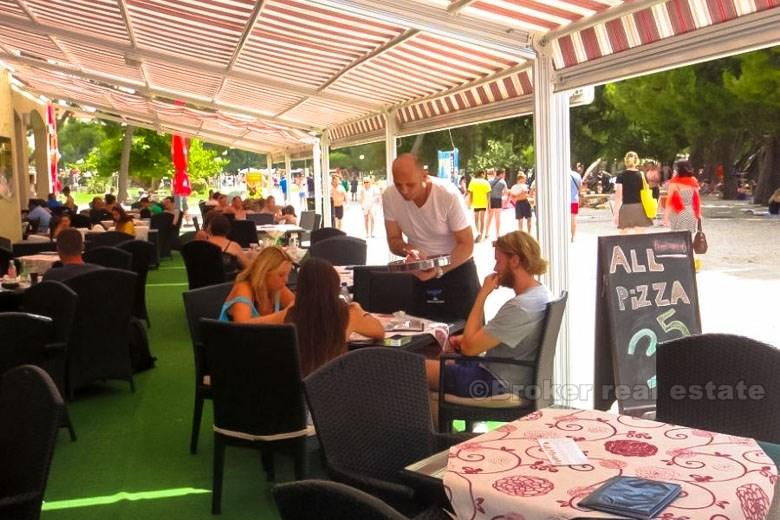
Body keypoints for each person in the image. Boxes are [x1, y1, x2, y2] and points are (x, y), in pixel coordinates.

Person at [425, 231, 552, 398]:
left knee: (414, 368)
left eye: (498, 261)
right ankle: (437, 422)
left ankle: (426, 422)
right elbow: (489, 338)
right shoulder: (541, 294)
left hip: (494, 382)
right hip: (508, 375)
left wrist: (482, 294)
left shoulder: (521, 307)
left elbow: (469, 349)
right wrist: (465, 340)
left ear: (515, 260)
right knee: (437, 362)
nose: (495, 268)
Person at [383, 153, 479, 322]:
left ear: (424, 176)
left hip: (457, 269)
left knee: (463, 339)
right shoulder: (389, 196)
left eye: (410, 184)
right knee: (423, 338)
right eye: (399, 185)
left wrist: (439, 269)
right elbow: (393, 240)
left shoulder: (447, 194)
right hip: (420, 273)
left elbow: (467, 244)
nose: (404, 191)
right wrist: (408, 250)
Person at [255, 258, 384, 376]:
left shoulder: (291, 313)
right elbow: (379, 331)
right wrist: (361, 311)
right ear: (334, 283)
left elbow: (251, 325)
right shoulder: (347, 313)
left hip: (297, 384)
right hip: (330, 384)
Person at [219, 246, 296, 322]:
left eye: (287, 274)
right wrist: (281, 316)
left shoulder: (277, 288)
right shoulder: (243, 288)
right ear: (263, 273)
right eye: (280, 275)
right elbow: (241, 326)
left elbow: (300, 309)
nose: (286, 280)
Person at [613, 151, 652, 234]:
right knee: (640, 236)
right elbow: (646, 189)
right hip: (639, 207)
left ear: (625, 161)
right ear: (637, 161)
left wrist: (616, 214)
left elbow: (618, 197)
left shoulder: (621, 176)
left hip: (626, 207)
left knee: (623, 236)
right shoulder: (641, 175)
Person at [663, 160, 701, 233]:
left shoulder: (674, 184)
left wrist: (666, 217)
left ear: (678, 170)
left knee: (678, 238)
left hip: (678, 212)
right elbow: (696, 199)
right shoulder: (693, 181)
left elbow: (670, 202)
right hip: (691, 212)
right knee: (688, 238)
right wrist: (698, 213)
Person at [467, 170, 491, 241]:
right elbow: (488, 195)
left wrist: (470, 203)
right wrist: (489, 206)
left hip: (475, 203)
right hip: (483, 203)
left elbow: (470, 193)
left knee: (476, 219)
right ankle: (481, 235)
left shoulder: (473, 182)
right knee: (482, 219)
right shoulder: (486, 182)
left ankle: (478, 232)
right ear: (482, 174)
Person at [486, 169, 508, 240]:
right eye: (504, 174)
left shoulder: (490, 181)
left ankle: (486, 232)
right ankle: (497, 234)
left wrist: (488, 203)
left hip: (491, 200)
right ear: (501, 174)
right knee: (497, 217)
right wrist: (504, 201)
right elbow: (506, 193)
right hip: (498, 199)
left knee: (489, 217)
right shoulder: (503, 182)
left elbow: (487, 193)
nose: (504, 175)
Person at [569, 168, 582, 241]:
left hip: (565, 201)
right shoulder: (577, 175)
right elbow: (580, 188)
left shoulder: (562, 175)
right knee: (573, 218)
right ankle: (573, 237)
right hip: (574, 200)